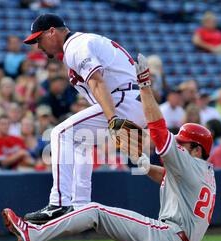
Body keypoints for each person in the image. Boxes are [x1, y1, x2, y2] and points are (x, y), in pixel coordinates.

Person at [2, 53, 216, 241]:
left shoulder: (189, 162)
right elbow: (167, 177)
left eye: (183, 143)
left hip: (169, 237)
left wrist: (144, 86)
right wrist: (145, 166)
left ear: (197, 150)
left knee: (94, 211)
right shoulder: (205, 173)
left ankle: (32, 233)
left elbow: (159, 131)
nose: (179, 145)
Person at [21, 13, 148, 223]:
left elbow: (97, 82)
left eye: (39, 38)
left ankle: (59, 203)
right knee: (80, 143)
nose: (38, 46)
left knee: (61, 133)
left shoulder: (76, 46)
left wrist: (113, 120)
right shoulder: (77, 46)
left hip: (122, 99)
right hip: (130, 98)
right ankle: (80, 206)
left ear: (52, 32)